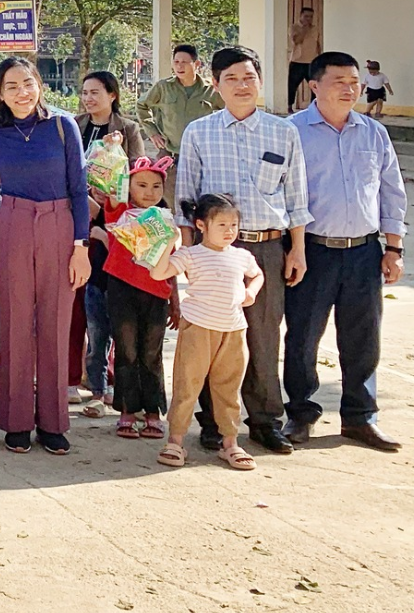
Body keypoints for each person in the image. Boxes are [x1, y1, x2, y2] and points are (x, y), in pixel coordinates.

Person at [175, 46, 310, 455]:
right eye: (231, 79)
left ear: (260, 81)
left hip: (267, 248)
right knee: (213, 339)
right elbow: (186, 198)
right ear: (216, 85)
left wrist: (297, 250)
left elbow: (296, 196)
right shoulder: (199, 132)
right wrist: (189, 255)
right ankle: (214, 423)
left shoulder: (283, 132)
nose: (241, 85)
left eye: (249, 77)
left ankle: (265, 421)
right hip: (214, 253)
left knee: (263, 338)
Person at [285, 51, 406, 452]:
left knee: (363, 338)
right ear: (314, 86)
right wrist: (293, 249)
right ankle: (301, 414)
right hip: (312, 251)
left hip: (364, 253)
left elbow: (392, 191)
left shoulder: (373, 133)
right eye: (339, 81)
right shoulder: (292, 132)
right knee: (303, 336)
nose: (350, 89)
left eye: (354, 82)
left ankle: (360, 417)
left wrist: (394, 247)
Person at [0, 56, 90, 456]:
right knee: (15, 323)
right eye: (11, 86)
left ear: (39, 84)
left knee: (56, 323)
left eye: (28, 83)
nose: (22, 92)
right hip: (11, 224)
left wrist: (80, 248)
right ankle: (17, 421)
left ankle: (54, 423)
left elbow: (79, 188)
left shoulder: (62, 126)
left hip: (60, 225)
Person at [153, 194, 264, 471]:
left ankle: (230, 442)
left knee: (228, 388)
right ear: (201, 225)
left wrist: (251, 292)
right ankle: (176, 441)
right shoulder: (190, 254)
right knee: (187, 384)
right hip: (198, 328)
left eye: (233, 225)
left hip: (234, 330)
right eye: (222, 224)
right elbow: (159, 273)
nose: (229, 231)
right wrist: (169, 242)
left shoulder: (241, 256)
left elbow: (258, 274)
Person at [73, 70, 145, 412]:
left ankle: (116, 379)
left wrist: (112, 197)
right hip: (82, 218)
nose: (88, 99)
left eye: (95, 92)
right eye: (85, 92)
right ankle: (91, 378)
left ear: (112, 95)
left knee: (113, 297)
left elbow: (139, 172)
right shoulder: (75, 126)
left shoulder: (128, 129)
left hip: (117, 221)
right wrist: (86, 198)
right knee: (87, 302)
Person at [100, 156, 175, 440]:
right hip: (122, 289)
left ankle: (153, 412)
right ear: (129, 187)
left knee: (152, 353)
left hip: (156, 293)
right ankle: (127, 411)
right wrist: (113, 148)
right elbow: (111, 187)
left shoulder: (165, 220)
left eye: (156, 186)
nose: (149, 192)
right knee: (127, 351)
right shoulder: (120, 212)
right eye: (141, 185)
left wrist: (175, 302)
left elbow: (171, 264)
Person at [139, 44, 222, 159]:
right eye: (176, 62)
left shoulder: (211, 90)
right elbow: (141, 105)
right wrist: (152, 132)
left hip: (202, 155)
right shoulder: (163, 87)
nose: (179, 66)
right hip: (170, 154)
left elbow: (229, 112)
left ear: (197, 64)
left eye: (184, 62)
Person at [288, 6, 319, 110]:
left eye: (311, 17)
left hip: (311, 61)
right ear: (301, 15)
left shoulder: (315, 29)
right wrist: (305, 29)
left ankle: (314, 107)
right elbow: (297, 41)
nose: (308, 19)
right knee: (292, 86)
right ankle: (289, 106)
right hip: (297, 61)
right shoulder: (294, 27)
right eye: (306, 16)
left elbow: (317, 43)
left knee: (315, 85)